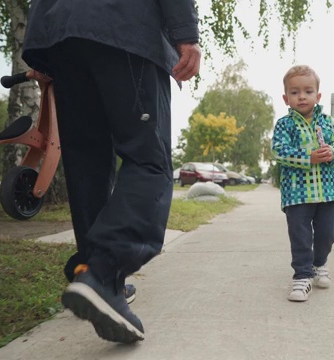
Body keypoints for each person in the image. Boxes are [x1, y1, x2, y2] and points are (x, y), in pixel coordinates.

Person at [21, 0, 201, 343]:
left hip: (63, 38)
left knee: (87, 161)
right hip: (125, 26)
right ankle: (103, 274)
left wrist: (43, 47)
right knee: (149, 160)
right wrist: (186, 35)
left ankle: (92, 272)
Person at [271, 65, 334, 302]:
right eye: (295, 92)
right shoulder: (285, 125)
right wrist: (309, 158)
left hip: (327, 191)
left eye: (307, 91)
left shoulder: (327, 122)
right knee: (300, 236)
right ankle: (302, 277)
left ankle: (319, 263)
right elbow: (279, 151)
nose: (302, 96)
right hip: (297, 194)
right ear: (286, 98)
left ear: (318, 95)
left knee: (326, 234)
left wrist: (332, 152)